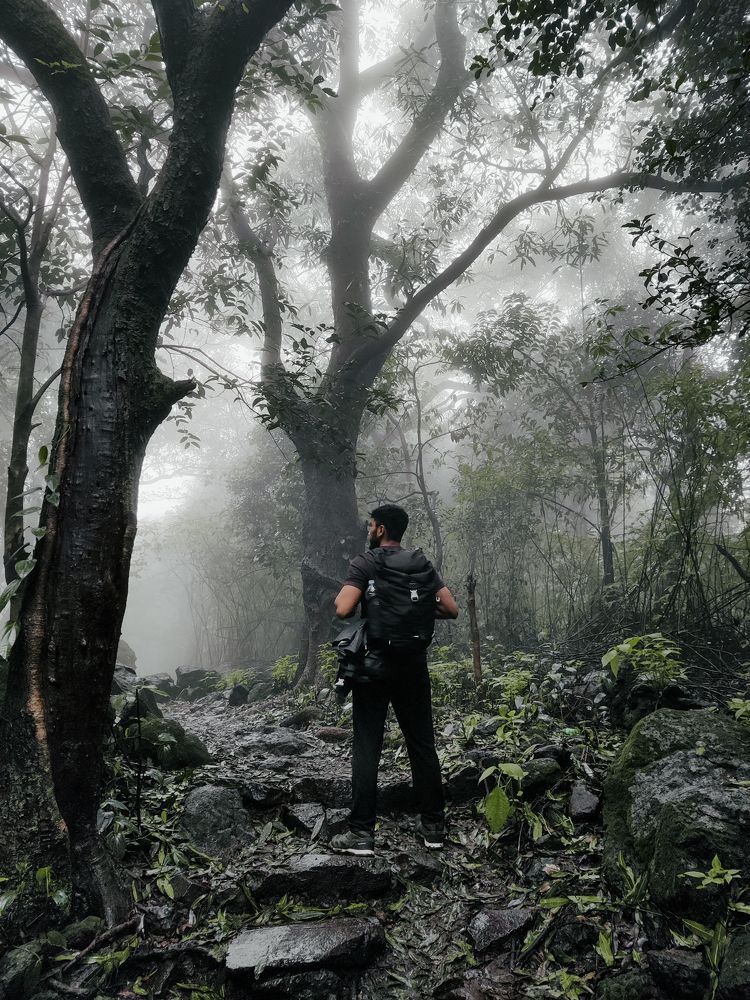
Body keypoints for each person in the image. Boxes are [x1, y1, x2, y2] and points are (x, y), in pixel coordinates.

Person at [330, 504, 458, 856]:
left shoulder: (365, 562)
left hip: (373, 667)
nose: (369, 530)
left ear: (382, 529)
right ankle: (433, 827)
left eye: (372, 525)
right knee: (422, 744)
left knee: (367, 746)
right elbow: (450, 608)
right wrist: (410, 609)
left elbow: (343, 608)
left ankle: (361, 833)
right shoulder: (420, 563)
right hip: (413, 665)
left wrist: (373, 604)